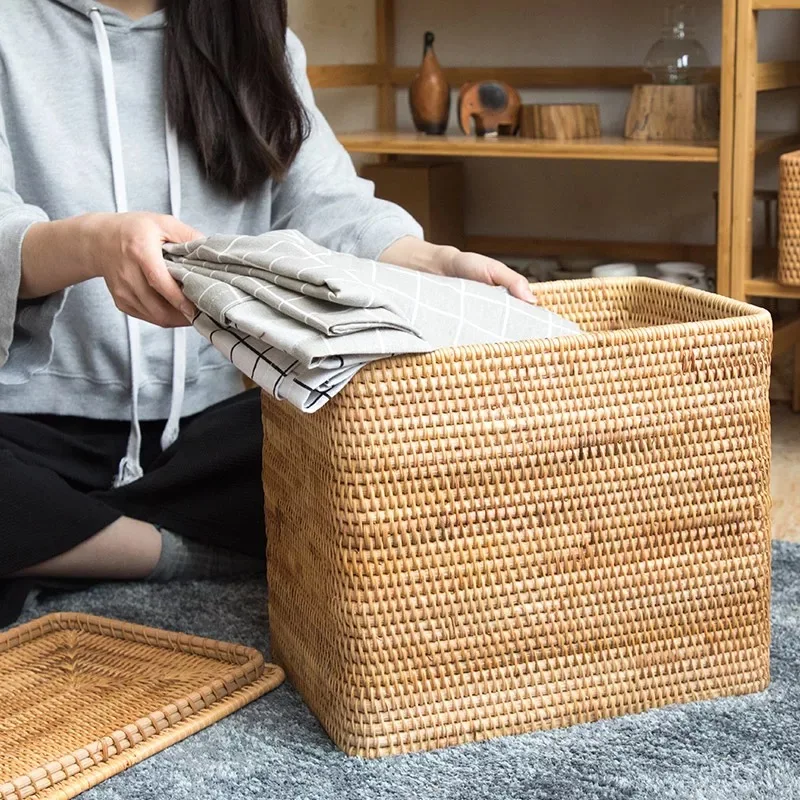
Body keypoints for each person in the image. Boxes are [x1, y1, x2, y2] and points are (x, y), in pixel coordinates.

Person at [0, 0, 534, 625]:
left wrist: (428, 260)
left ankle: (66, 542)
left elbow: (328, 207)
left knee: (402, 455)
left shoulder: (252, 32)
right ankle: (174, 553)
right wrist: (93, 243)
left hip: (213, 433)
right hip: (27, 425)